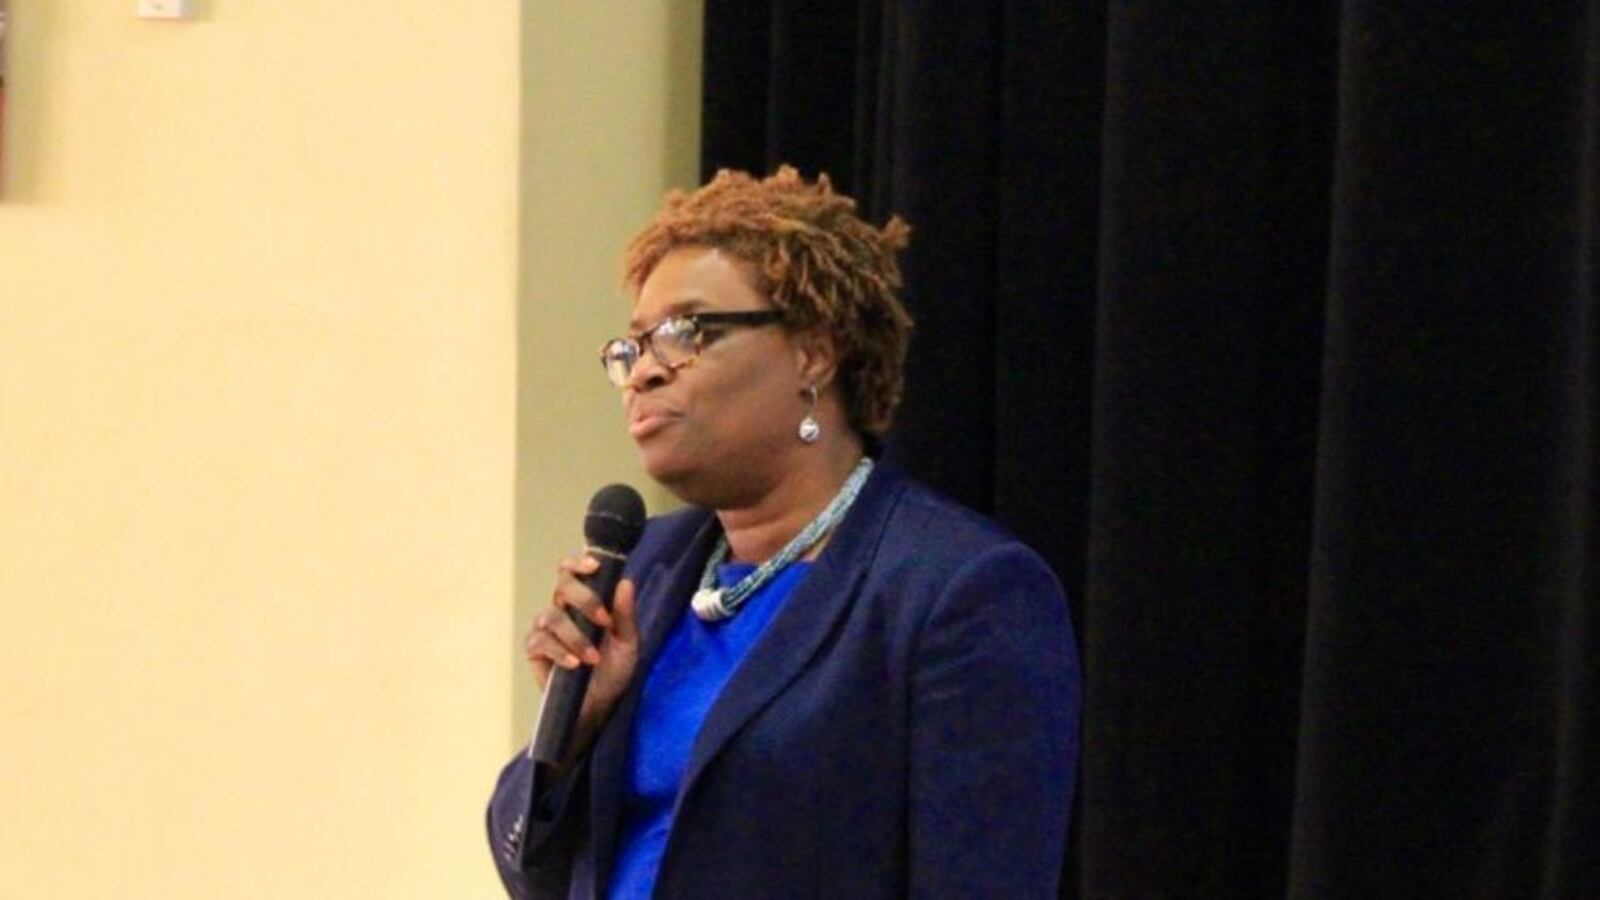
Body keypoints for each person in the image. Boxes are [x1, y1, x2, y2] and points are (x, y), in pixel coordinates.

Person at [488, 167, 1080, 899]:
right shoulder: (648, 569)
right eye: (633, 347)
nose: (644, 373)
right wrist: (572, 731)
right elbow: (535, 873)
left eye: (683, 333)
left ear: (812, 354)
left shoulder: (957, 592)